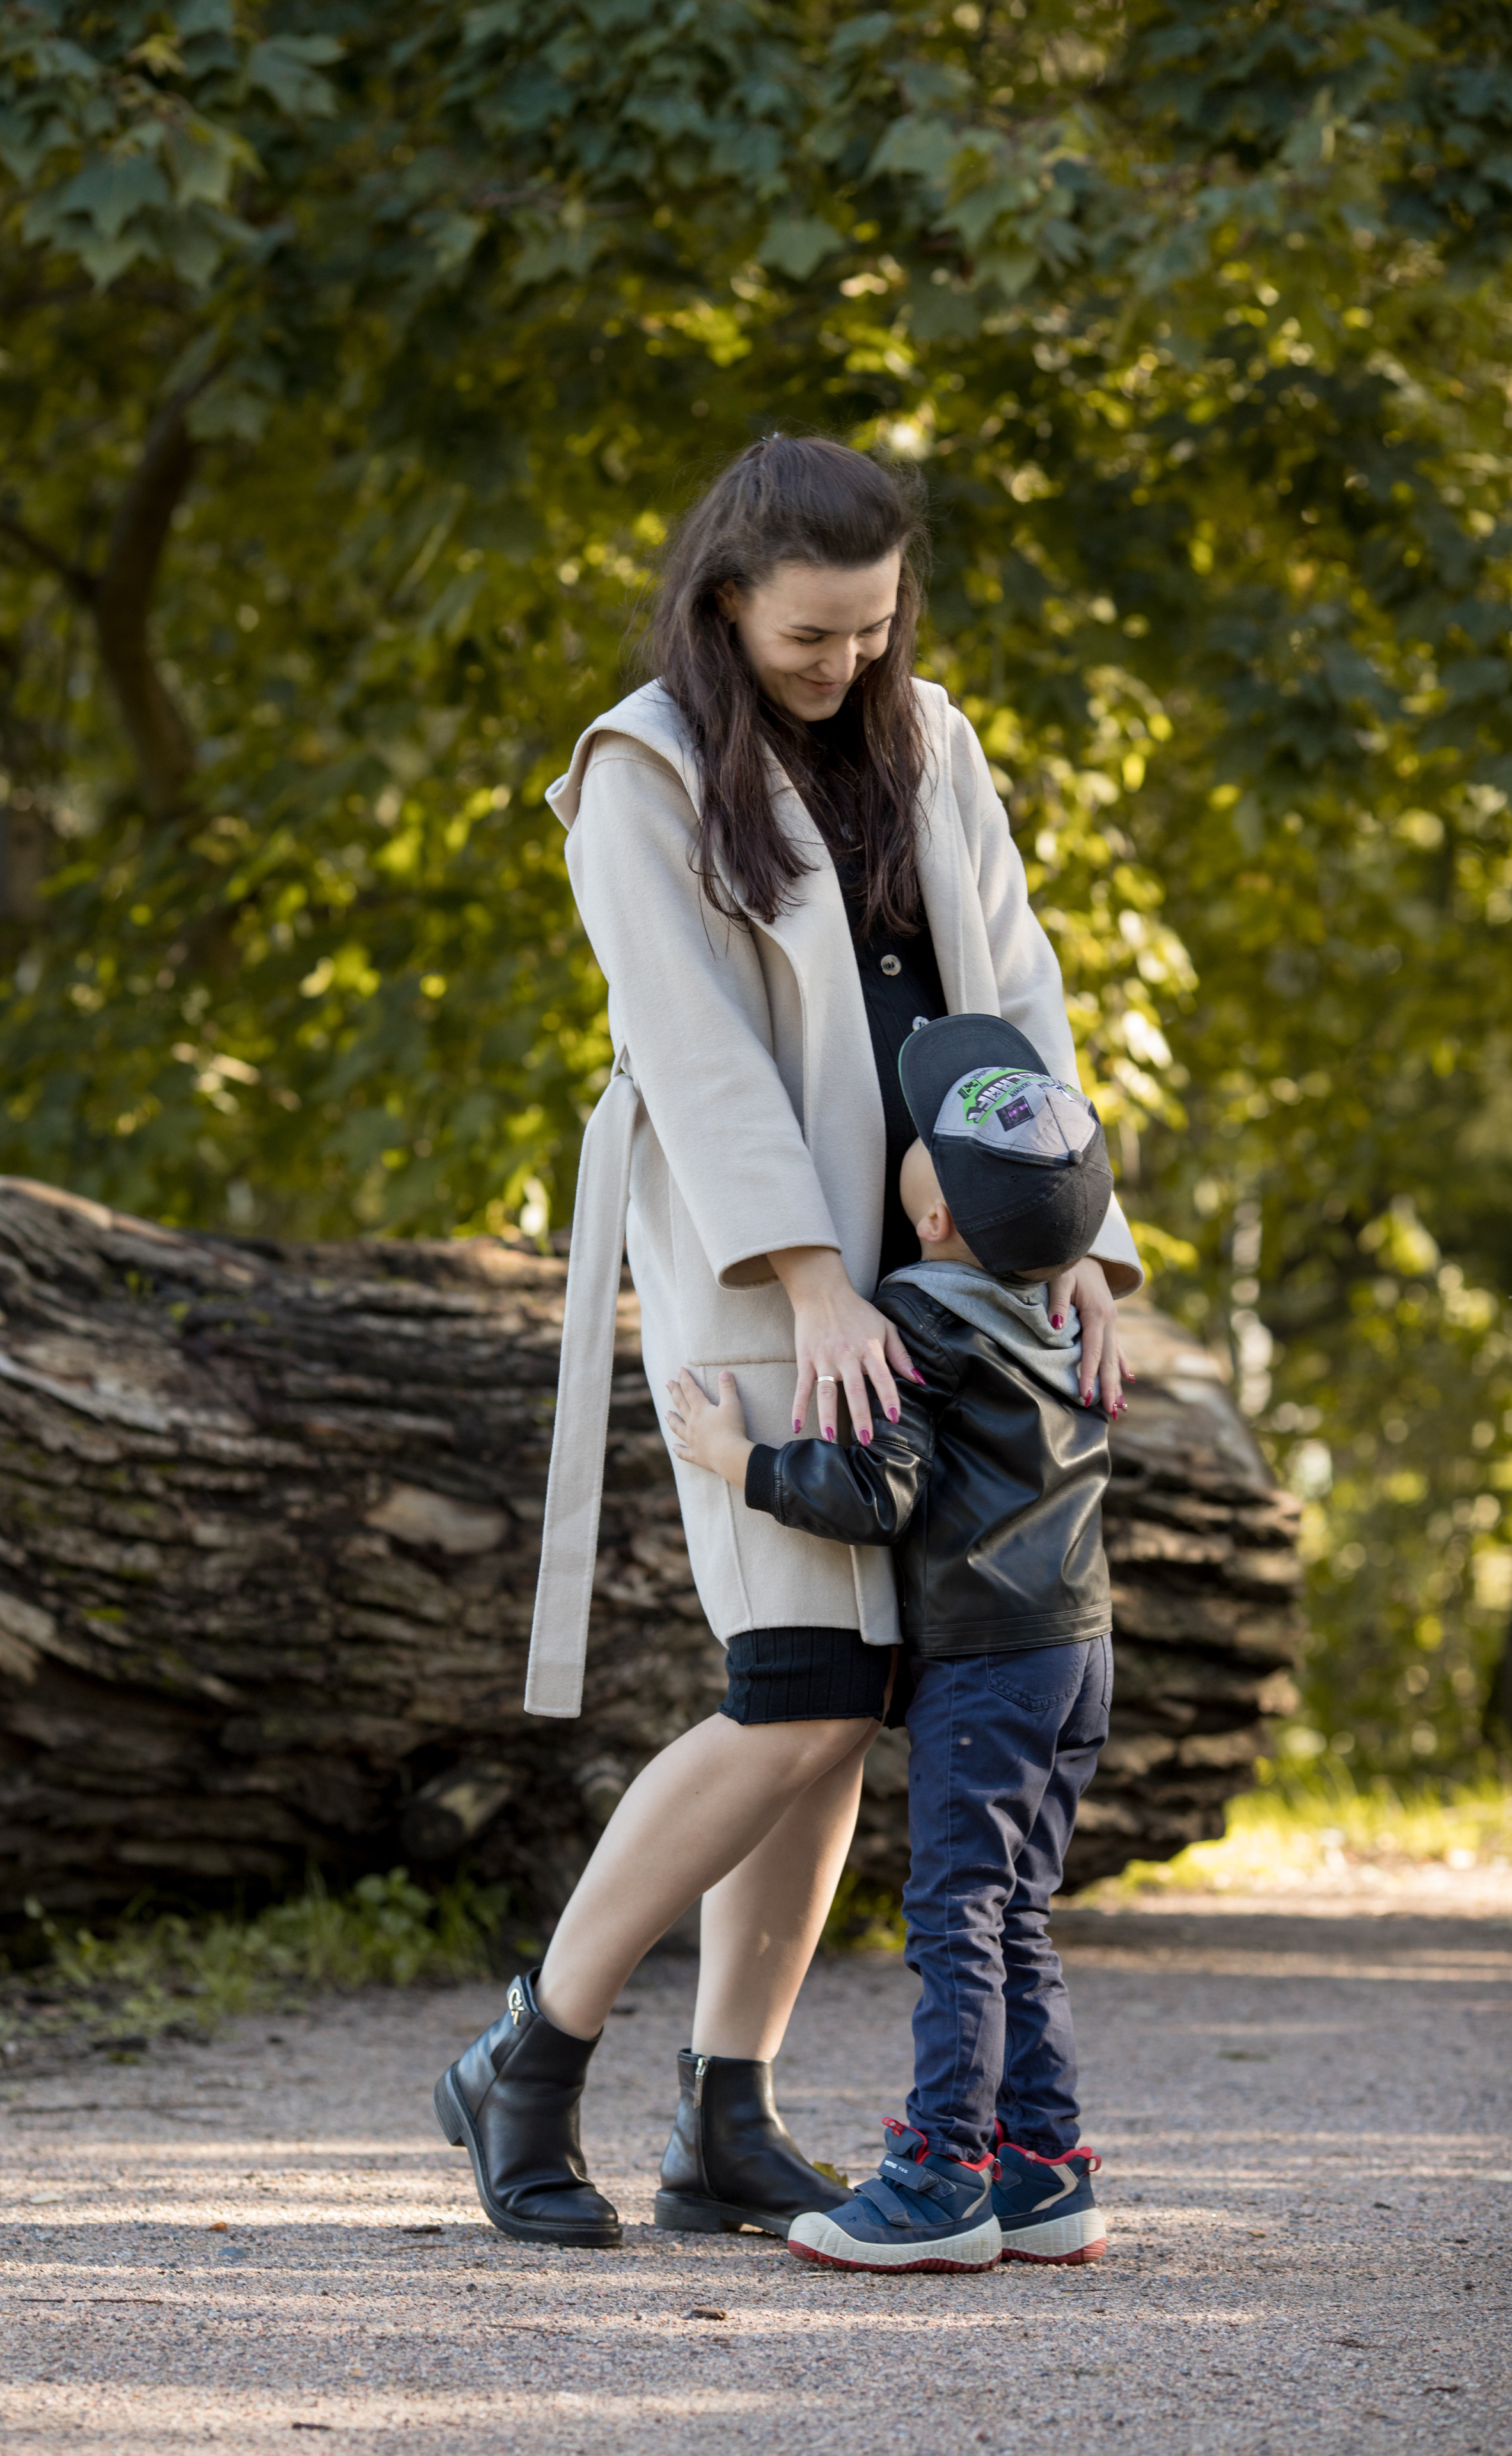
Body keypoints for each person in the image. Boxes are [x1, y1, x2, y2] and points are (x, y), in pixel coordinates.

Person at [431, 436, 1140, 2250]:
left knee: (861, 1700)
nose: (846, 667)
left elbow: (1026, 988)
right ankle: (532, 2051)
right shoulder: (640, 773)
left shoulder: (932, 739)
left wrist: (1072, 1246)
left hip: (949, 1282)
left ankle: (726, 2112)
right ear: (729, 596)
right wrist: (812, 1275)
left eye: (875, 631)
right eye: (814, 637)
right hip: (770, 1279)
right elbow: (688, 1042)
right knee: (796, 1689)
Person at [668, 1011, 1115, 2272]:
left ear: (929, 1219)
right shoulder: (1057, 1310)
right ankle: (1041, 2169)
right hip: (1077, 1651)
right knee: (1016, 1908)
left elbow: (878, 1493)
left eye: (914, 1140)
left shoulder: (920, 1315)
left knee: (955, 1913)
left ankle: (937, 2183)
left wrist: (740, 1460)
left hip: (984, 1661)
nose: (900, 1141)